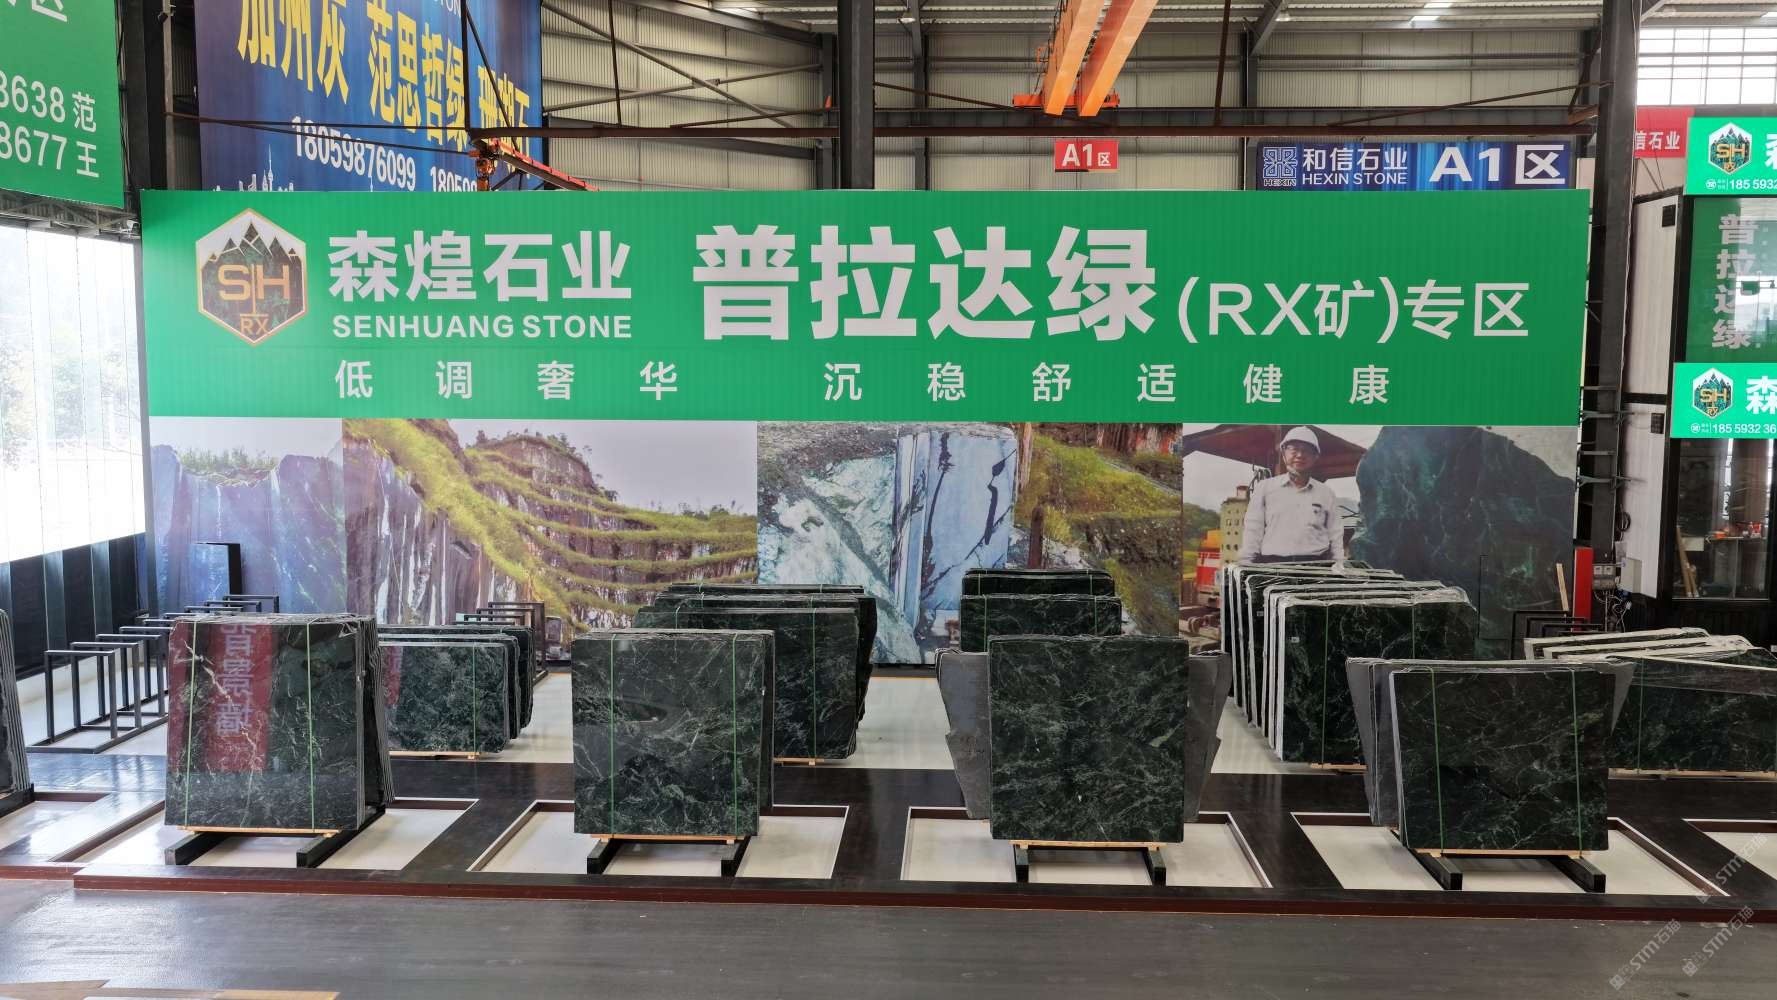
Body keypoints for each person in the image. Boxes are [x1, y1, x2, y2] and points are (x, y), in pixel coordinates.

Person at [1240, 426, 1345, 564]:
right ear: (1283, 454)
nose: (1300, 455)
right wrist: (1246, 563)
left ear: (1315, 457)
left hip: (1316, 565)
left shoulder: (1326, 493)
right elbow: (1253, 530)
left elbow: (1335, 533)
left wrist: (1339, 563)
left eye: (1307, 450)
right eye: (1294, 449)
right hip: (1273, 566)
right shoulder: (1264, 489)